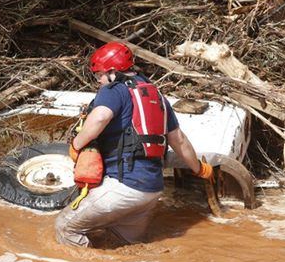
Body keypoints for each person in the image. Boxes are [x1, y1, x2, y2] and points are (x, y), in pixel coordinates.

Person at [55, 41, 213, 248]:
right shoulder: (157, 96)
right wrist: (200, 169)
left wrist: (76, 145)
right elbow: (179, 140)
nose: (99, 82)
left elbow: (100, 117)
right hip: (151, 192)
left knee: (65, 227)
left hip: (123, 188)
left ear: (112, 72)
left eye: (99, 75)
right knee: (120, 245)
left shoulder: (114, 90)